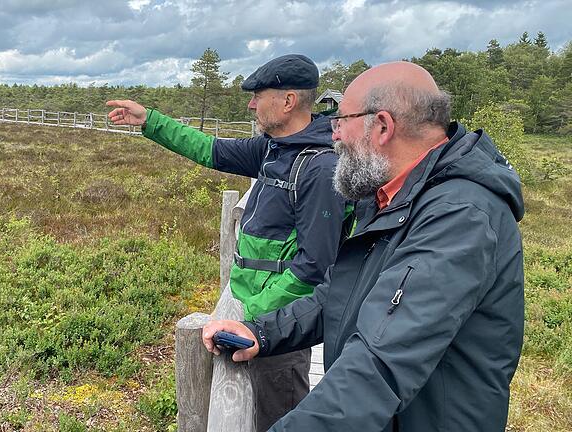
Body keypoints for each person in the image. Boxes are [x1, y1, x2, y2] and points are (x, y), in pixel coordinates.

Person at [202, 61, 525, 432]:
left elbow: (379, 364)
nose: (333, 135)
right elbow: (342, 295)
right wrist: (263, 332)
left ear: (382, 126)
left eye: (340, 121)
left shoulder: (459, 217)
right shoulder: (392, 194)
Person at [107, 54, 349, 431]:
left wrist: (254, 317)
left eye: (258, 95)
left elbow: (314, 268)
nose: (251, 104)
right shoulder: (272, 149)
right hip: (251, 312)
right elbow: (209, 149)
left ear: (288, 101)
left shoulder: (319, 167)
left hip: (279, 325)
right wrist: (149, 122)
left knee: (280, 413)